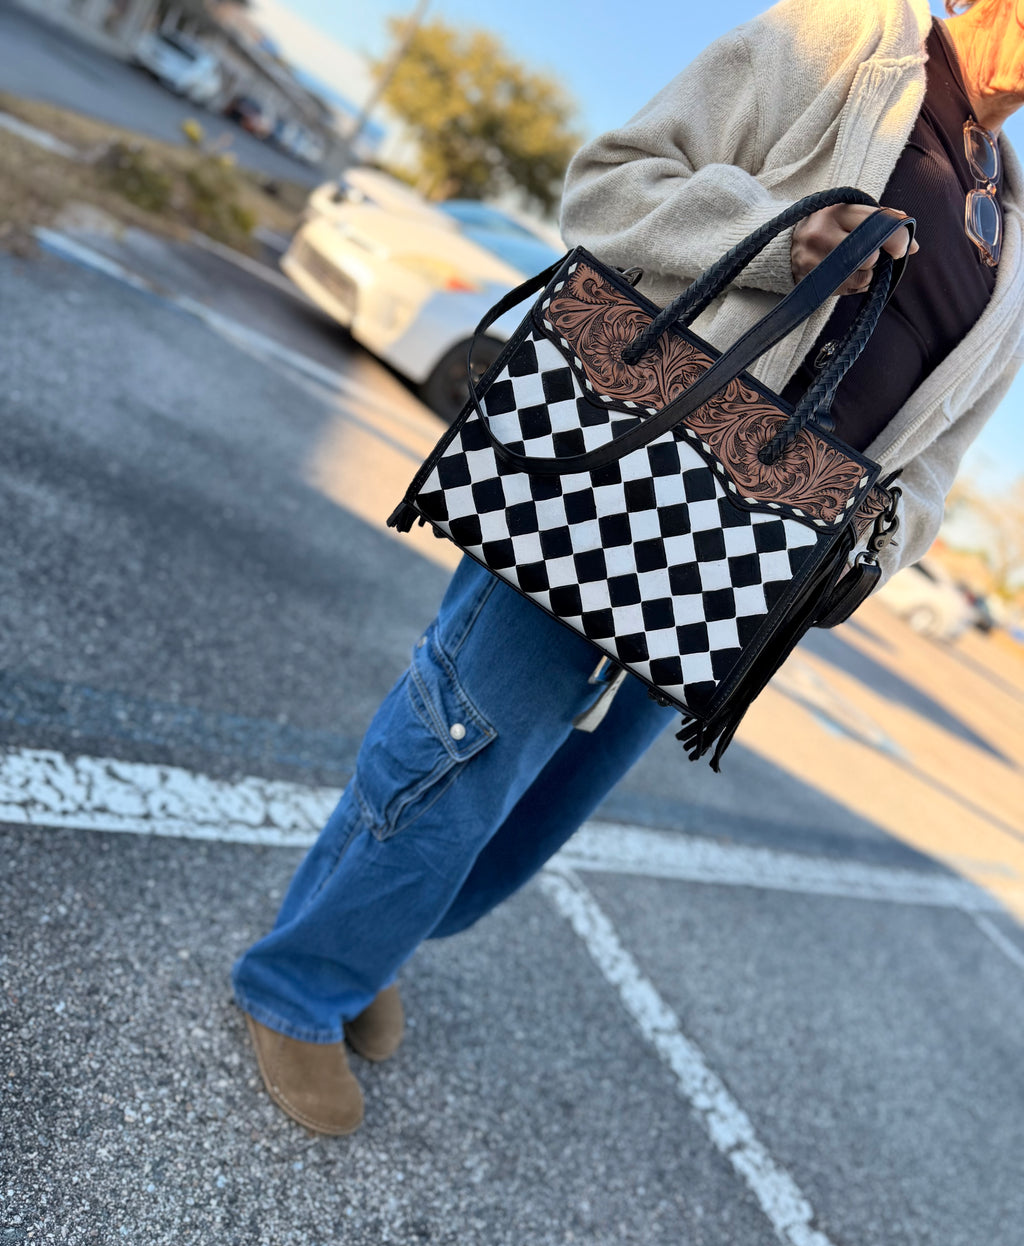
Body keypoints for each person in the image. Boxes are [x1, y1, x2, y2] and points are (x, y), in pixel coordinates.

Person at [232, 0, 1024, 1135]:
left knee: (546, 806)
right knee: (466, 741)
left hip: (761, 553)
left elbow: (941, 449)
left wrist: (881, 547)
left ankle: (375, 941)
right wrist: (781, 237)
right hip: (637, 458)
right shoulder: (852, 39)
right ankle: (299, 986)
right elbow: (609, 182)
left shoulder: (1011, 235)